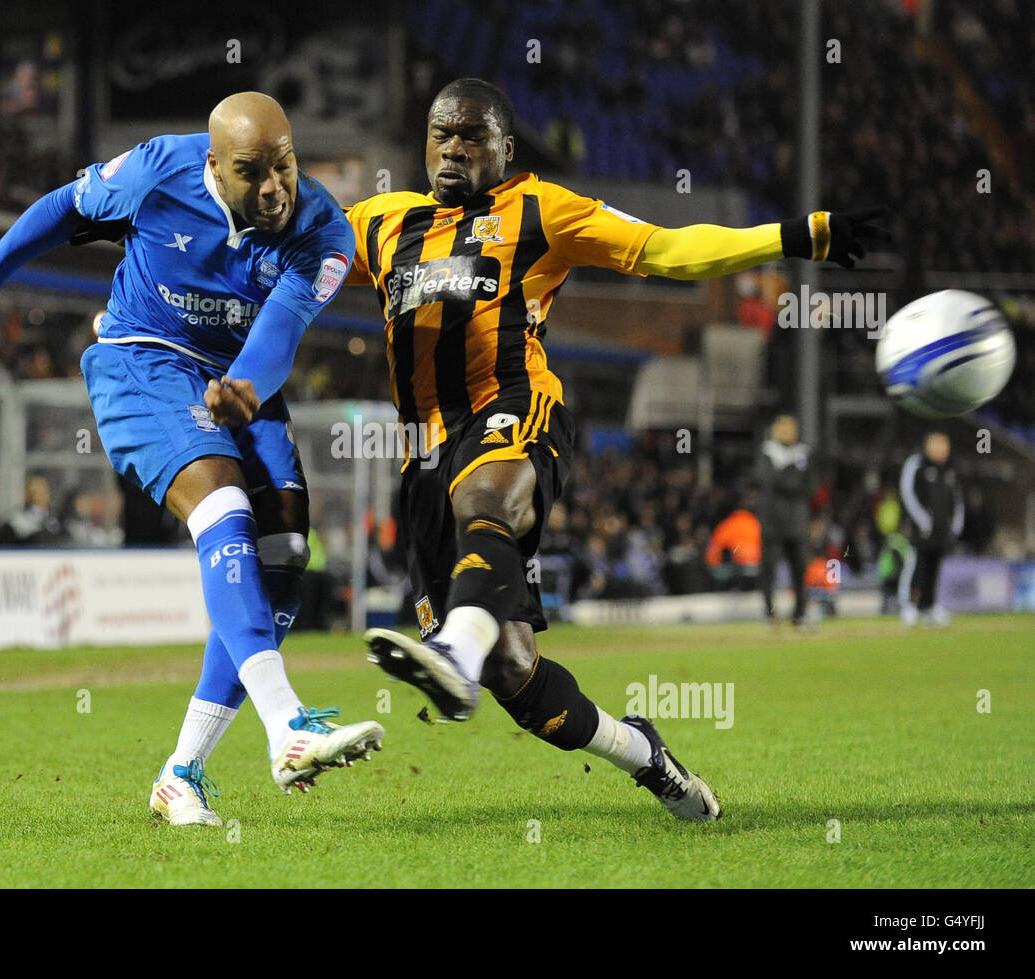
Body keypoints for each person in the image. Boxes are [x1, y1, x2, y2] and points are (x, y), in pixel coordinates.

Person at [344, 77, 885, 822]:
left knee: (488, 498)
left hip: (515, 408)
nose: (454, 148)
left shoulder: (541, 208)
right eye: (441, 133)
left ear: (505, 147)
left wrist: (795, 236)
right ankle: (645, 754)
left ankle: (453, 654)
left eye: (473, 135)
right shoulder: (380, 221)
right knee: (519, 675)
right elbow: (285, 265)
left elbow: (668, 250)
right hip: (423, 457)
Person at [0, 92, 383, 824]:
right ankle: (288, 725)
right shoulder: (155, 170)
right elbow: (62, 207)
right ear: (215, 166)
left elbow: (282, 325)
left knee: (284, 554)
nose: (277, 186)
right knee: (224, 505)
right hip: (141, 363)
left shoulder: (325, 230)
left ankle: (182, 772)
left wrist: (246, 384)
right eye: (254, 172)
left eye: (286, 164)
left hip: (239, 379)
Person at [899, 431, 963, 626]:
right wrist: (923, 520)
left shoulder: (949, 470)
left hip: (942, 531)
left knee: (935, 569)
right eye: (937, 445)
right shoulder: (917, 465)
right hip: (922, 531)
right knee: (917, 567)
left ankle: (930, 606)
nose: (941, 450)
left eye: (944, 446)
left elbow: (957, 501)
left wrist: (955, 525)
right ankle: (910, 606)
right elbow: (908, 493)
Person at [755, 414, 813, 627]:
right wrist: (790, 478)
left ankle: (800, 613)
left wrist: (782, 477)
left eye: (792, 428)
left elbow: (808, 485)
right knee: (768, 570)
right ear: (775, 430)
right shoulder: (767, 452)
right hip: (772, 520)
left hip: (797, 522)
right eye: (784, 428)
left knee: (799, 569)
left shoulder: (803, 453)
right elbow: (762, 478)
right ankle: (770, 613)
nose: (788, 432)